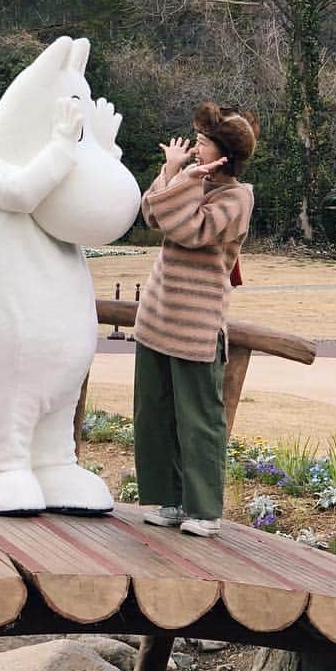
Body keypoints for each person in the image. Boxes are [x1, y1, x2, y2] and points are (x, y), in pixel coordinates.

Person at [132, 103, 259, 538]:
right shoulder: (190, 182)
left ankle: (203, 508)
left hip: (197, 325)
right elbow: (151, 214)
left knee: (199, 420)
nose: (193, 147)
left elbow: (191, 230)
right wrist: (173, 176)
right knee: (156, 414)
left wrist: (180, 182)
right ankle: (169, 501)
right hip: (157, 316)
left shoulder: (238, 197)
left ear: (224, 153)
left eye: (202, 142)